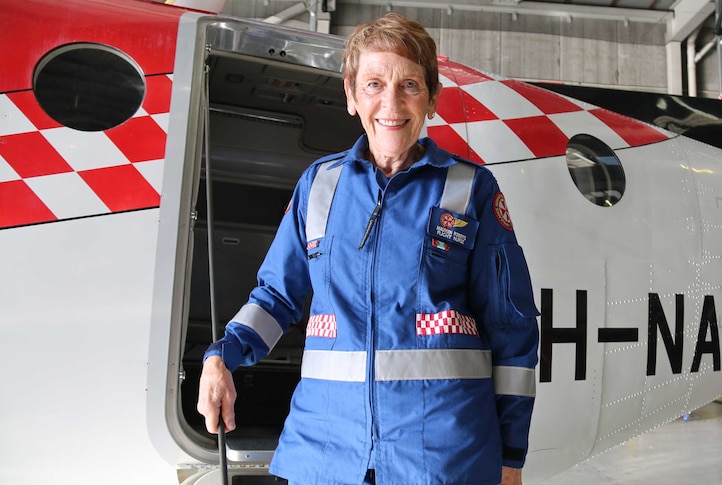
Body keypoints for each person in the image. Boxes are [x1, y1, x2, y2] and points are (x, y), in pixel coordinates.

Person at [197, 12, 540, 485]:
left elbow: (511, 329)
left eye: (410, 86)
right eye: (374, 84)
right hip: (325, 451)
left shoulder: (471, 189)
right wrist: (222, 356)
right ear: (351, 96)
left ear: (432, 99)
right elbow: (275, 298)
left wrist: (511, 457)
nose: (391, 103)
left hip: (441, 455)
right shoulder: (318, 186)